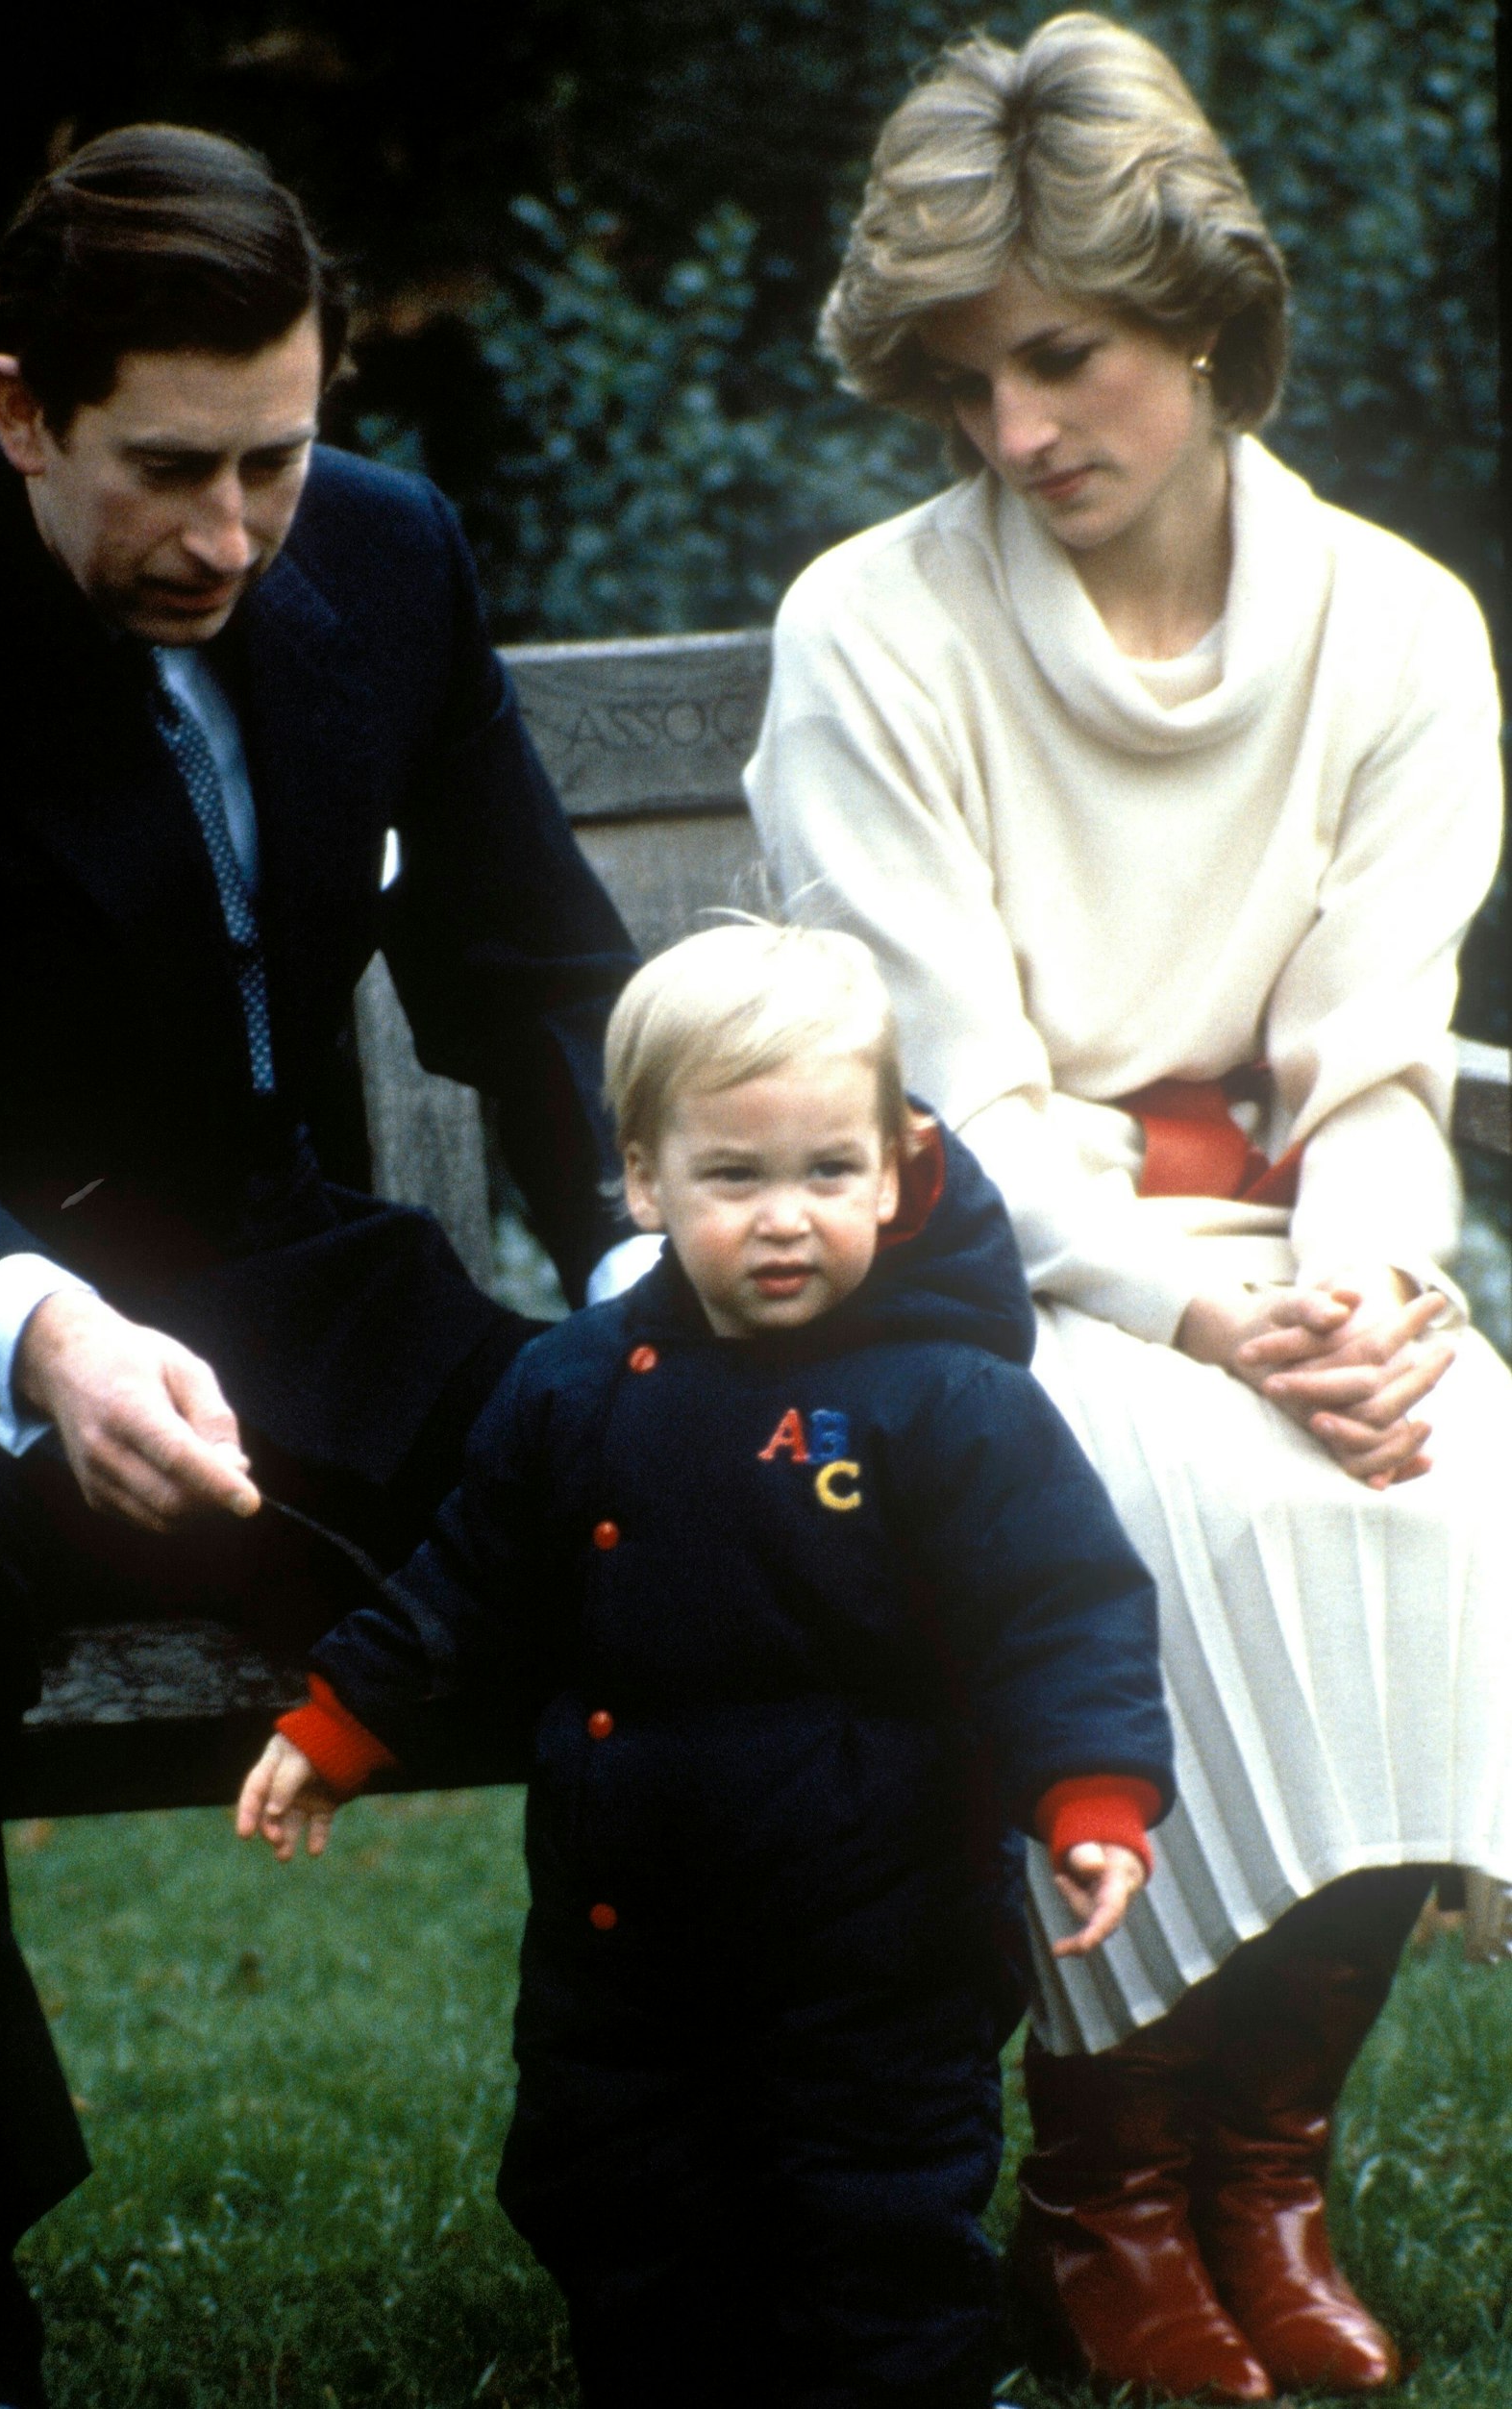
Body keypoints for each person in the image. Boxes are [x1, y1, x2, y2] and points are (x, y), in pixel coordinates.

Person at [0, 126, 641, 2409]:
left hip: (278, 1251)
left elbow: (527, 969)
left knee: (655, 1508)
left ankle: (668, 2200)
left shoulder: (392, 561)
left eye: (278, 461)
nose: (227, 533)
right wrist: (35, 1327)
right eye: (166, 470)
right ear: (19, 409)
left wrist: (641, 1261)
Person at [744, 13, 1510, 2402]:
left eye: (1059, 356)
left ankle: (1261, 2160)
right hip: (954, 1254)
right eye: (962, 381)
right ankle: (1099, 2187)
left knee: (1454, 1468)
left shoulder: (1392, 624)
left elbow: (1377, 1059)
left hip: (1292, 1237)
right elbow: (944, 1096)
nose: (1014, 432)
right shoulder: (872, 625)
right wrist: (1204, 1327)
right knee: (1147, 1503)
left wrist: (1368, 1293)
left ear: (1199, 308)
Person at [235, 920, 1176, 2409]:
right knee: (626, 2211)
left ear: (895, 1171)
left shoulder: (950, 1397)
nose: (785, 1216)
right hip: (631, 1943)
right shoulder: (576, 1384)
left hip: (884, 1946)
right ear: (644, 1178)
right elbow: (472, 1572)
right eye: (734, 1177)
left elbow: (1058, 1603)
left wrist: (1094, 1793)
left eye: (825, 1172)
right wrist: (347, 1716)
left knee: (876, 2237)